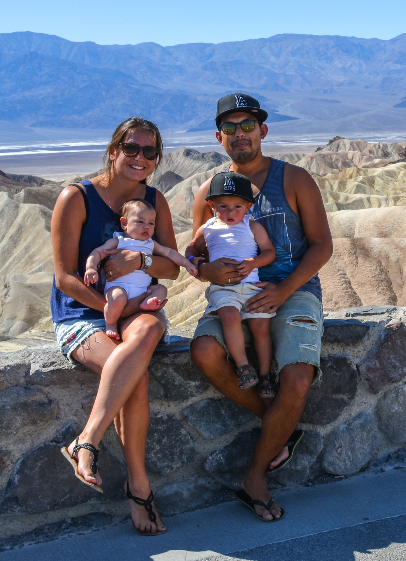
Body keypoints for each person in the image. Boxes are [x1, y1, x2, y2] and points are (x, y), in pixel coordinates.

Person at [190, 93, 333, 522]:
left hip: (294, 290)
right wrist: (208, 272)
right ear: (219, 137)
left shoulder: (295, 179)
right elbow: (195, 252)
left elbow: (323, 245)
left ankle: (254, 478)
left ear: (263, 131)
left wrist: (285, 289)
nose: (240, 134)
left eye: (247, 126)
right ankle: (282, 426)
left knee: (296, 377)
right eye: (230, 128)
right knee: (204, 352)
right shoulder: (208, 192)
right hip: (235, 295)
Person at [51, 117, 179, 536]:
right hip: (83, 314)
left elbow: (171, 267)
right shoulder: (77, 198)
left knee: (149, 329)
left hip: (136, 307)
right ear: (113, 150)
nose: (140, 158)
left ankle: (86, 440)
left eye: (150, 152)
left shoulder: (154, 202)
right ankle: (138, 487)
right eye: (132, 148)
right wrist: (114, 309)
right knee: (134, 379)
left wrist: (140, 262)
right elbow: (65, 277)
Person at [186, 172, 277, 398]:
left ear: (248, 206)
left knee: (260, 327)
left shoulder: (252, 226)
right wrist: (193, 261)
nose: (231, 212)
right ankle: (244, 367)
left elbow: (269, 252)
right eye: (223, 206)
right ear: (211, 205)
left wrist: (253, 262)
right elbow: (192, 249)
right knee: (229, 316)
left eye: (238, 206)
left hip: (251, 286)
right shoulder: (207, 228)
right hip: (223, 288)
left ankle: (265, 375)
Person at [85, 198, 198, 340]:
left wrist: (187, 264)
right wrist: (91, 268)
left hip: (143, 290)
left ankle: (147, 303)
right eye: (140, 222)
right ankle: (111, 324)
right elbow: (98, 252)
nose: (146, 227)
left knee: (161, 289)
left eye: (151, 223)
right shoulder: (119, 241)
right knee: (117, 298)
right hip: (119, 286)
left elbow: (169, 253)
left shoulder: (151, 244)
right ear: (124, 223)